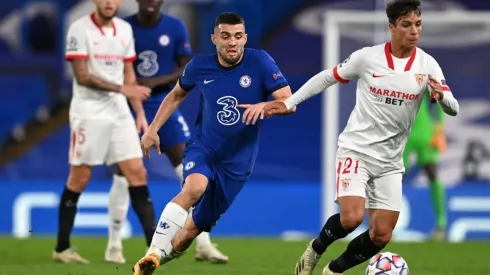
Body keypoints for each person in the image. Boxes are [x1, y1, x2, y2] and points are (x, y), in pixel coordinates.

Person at [261, 0, 459, 274]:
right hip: (357, 150)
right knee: (352, 218)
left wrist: (442, 97)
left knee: (381, 234)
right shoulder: (367, 58)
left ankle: (334, 270)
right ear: (392, 27)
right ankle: (315, 249)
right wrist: (289, 101)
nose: (414, 31)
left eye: (418, 24)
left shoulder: (427, 65)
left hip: (390, 160)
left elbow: (453, 107)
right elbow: (326, 77)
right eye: (406, 25)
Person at [131, 12, 295, 275]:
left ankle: (159, 257)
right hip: (204, 148)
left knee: (191, 231)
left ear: (245, 38)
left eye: (238, 36)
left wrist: (265, 105)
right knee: (194, 187)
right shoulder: (199, 66)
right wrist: (152, 130)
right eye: (226, 36)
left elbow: (289, 102)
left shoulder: (261, 62)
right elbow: (175, 95)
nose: (233, 42)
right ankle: (151, 252)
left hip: (237, 163)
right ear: (214, 38)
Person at [104, 0, 228, 264]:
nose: (151, 1)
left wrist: (154, 82)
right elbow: (110, 66)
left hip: (163, 105)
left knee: (190, 171)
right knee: (122, 174)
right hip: (127, 106)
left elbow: (185, 69)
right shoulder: (123, 28)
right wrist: (131, 86)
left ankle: (202, 242)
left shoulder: (175, 27)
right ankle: (114, 245)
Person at [53, 0, 156, 264]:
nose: (109, 3)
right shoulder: (79, 29)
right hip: (88, 112)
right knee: (79, 178)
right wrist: (124, 90)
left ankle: (155, 250)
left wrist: (140, 112)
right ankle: (62, 248)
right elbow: (82, 76)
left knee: (137, 172)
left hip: (119, 111)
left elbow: (129, 74)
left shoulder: (124, 29)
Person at [403, 92, 447, 241]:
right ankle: (384, 223)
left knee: (432, 174)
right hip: (403, 134)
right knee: (394, 178)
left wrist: (439, 128)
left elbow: (440, 99)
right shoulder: (394, 75)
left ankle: (441, 225)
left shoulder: (424, 73)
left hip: (424, 133)